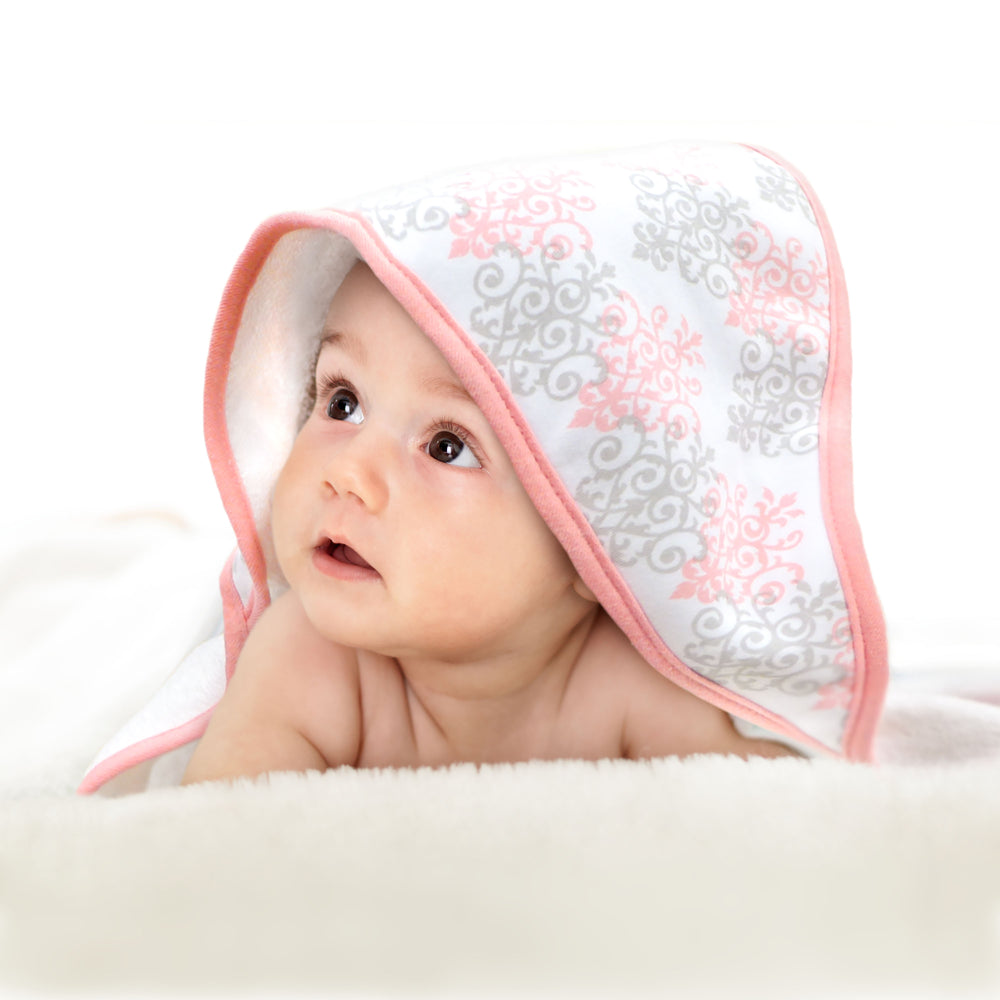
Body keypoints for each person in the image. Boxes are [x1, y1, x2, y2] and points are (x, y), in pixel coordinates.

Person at [182, 261, 798, 784]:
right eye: (343, 402)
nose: (348, 472)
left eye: (448, 446)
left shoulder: (625, 683)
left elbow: (762, 818)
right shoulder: (311, 656)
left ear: (599, 541)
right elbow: (222, 845)